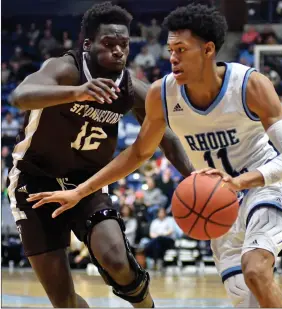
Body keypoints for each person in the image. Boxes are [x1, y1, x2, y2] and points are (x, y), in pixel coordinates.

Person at [28, 3, 282, 308]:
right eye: (171, 50)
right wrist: (80, 191)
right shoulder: (162, 93)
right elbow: (139, 152)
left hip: (264, 184)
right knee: (257, 302)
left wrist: (240, 181)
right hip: (218, 202)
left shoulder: (250, 85)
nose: (172, 58)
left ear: (208, 50)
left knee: (255, 271)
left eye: (181, 50)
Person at [8, 2, 194, 308]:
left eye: (124, 44)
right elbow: (19, 97)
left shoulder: (130, 88)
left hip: (87, 182)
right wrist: (77, 92)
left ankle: (147, 306)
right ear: (88, 45)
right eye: (109, 44)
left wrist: (194, 178)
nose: (119, 51)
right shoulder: (66, 69)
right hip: (34, 181)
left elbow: (168, 137)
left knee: (117, 261)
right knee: (63, 300)